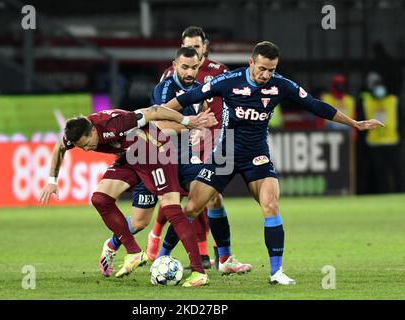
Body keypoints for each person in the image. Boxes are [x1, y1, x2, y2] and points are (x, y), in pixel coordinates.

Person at [161, 41, 384, 285]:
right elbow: (189, 96)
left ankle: (276, 272)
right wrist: (159, 113)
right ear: (251, 63)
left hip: (257, 155)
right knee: (192, 207)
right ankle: (162, 258)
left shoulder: (281, 85)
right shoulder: (229, 80)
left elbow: (315, 105)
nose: (266, 75)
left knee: (271, 205)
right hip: (224, 154)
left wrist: (355, 123)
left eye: (272, 69)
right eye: (262, 69)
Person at [100, 47, 251, 277]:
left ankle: (224, 258)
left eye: (194, 67)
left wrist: (200, 130)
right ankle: (112, 245)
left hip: (183, 159)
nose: (190, 72)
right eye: (185, 67)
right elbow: (157, 126)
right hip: (153, 158)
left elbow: (201, 121)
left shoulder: (201, 91)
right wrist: (192, 124)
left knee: (213, 197)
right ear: (174, 65)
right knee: (140, 221)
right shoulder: (165, 90)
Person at [39, 102, 217, 287]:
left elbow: (153, 111)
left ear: (92, 131)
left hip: (154, 152)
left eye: (86, 144)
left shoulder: (114, 124)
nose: (86, 149)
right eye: (81, 147)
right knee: (100, 199)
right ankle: (134, 252)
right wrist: (52, 180)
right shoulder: (76, 134)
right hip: (130, 157)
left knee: (171, 209)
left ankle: (198, 272)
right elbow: (60, 146)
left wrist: (188, 121)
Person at [150, 26, 230, 269]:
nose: (194, 51)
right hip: (179, 142)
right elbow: (160, 117)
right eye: (189, 47)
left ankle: (218, 255)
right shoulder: (170, 77)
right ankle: (158, 241)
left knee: (209, 196)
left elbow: (225, 103)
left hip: (213, 138)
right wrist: (189, 127)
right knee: (183, 197)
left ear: (204, 46)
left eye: (197, 46)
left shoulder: (219, 71)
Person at [359, 73, 403, 193]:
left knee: (397, 170)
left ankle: (400, 192)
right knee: (380, 173)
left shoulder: (393, 101)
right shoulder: (367, 102)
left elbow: (401, 119)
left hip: (392, 141)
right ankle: (384, 193)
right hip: (375, 143)